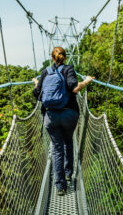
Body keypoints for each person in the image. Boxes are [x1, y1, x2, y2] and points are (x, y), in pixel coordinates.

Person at [32, 46, 94, 196]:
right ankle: (68, 173)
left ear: (52, 58)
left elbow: (37, 93)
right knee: (68, 142)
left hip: (51, 117)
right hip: (69, 114)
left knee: (57, 149)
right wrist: (86, 81)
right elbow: (74, 88)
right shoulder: (68, 69)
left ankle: (60, 186)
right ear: (65, 57)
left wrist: (36, 82)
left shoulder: (45, 72)